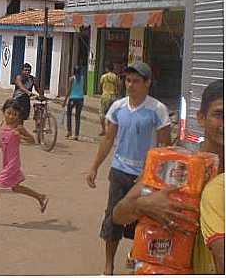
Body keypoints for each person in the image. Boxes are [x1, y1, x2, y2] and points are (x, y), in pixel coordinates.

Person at [112, 79, 224, 275]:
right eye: (219, 114)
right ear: (200, 117)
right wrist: (143, 205)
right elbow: (119, 214)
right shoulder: (175, 165)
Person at [85, 61, 172, 275]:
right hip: (119, 172)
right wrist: (94, 166)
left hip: (146, 177)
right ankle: (109, 266)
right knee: (113, 218)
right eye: (128, 80)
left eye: (136, 81)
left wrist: (149, 173)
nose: (130, 85)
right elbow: (108, 139)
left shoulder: (157, 110)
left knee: (143, 221)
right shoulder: (118, 107)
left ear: (147, 83)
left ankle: (137, 257)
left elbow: (164, 148)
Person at [0, 99, 49, 223]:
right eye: (9, 113)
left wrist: (21, 136)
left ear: (18, 116)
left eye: (14, 114)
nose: (11, 116)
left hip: (13, 163)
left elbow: (32, 141)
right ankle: (40, 197)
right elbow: (3, 140)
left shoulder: (19, 127)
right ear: (4, 112)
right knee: (16, 188)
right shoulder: (4, 125)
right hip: (7, 162)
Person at [63, 66, 85, 141]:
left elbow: (69, 90)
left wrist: (65, 101)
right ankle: (76, 135)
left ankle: (69, 132)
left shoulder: (71, 79)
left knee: (69, 114)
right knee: (77, 117)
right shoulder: (82, 78)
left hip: (73, 98)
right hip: (81, 99)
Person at [99, 63, 121, 136]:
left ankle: (103, 130)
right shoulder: (115, 77)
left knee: (102, 113)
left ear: (107, 69)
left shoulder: (103, 76)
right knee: (111, 114)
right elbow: (118, 86)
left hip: (105, 96)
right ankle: (110, 131)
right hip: (113, 96)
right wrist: (118, 94)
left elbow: (100, 85)